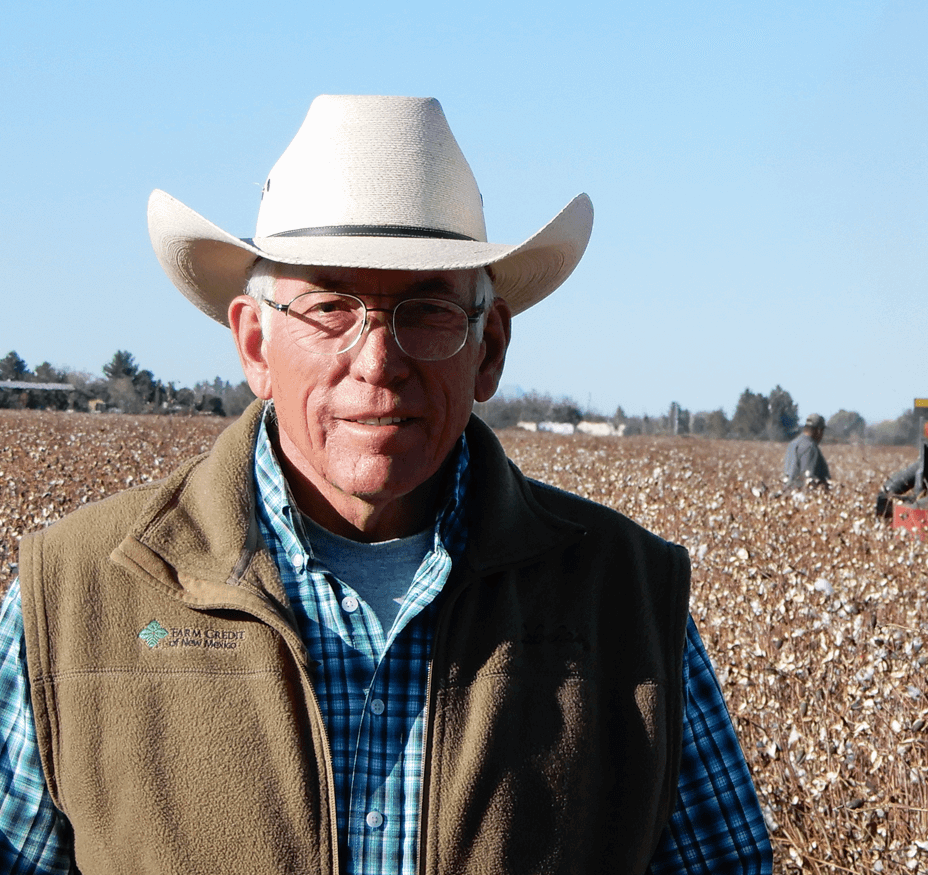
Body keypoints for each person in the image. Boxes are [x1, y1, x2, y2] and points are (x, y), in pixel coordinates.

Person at [0, 95, 772, 875]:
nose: (377, 362)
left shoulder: (627, 599)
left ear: (490, 347)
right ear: (255, 345)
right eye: (331, 307)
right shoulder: (70, 598)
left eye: (426, 310)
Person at [783, 412, 830, 490]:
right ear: (818, 430)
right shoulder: (810, 447)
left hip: (788, 493)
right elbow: (808, 478)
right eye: (822, 431)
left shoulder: (792, 444)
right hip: (801, 496)